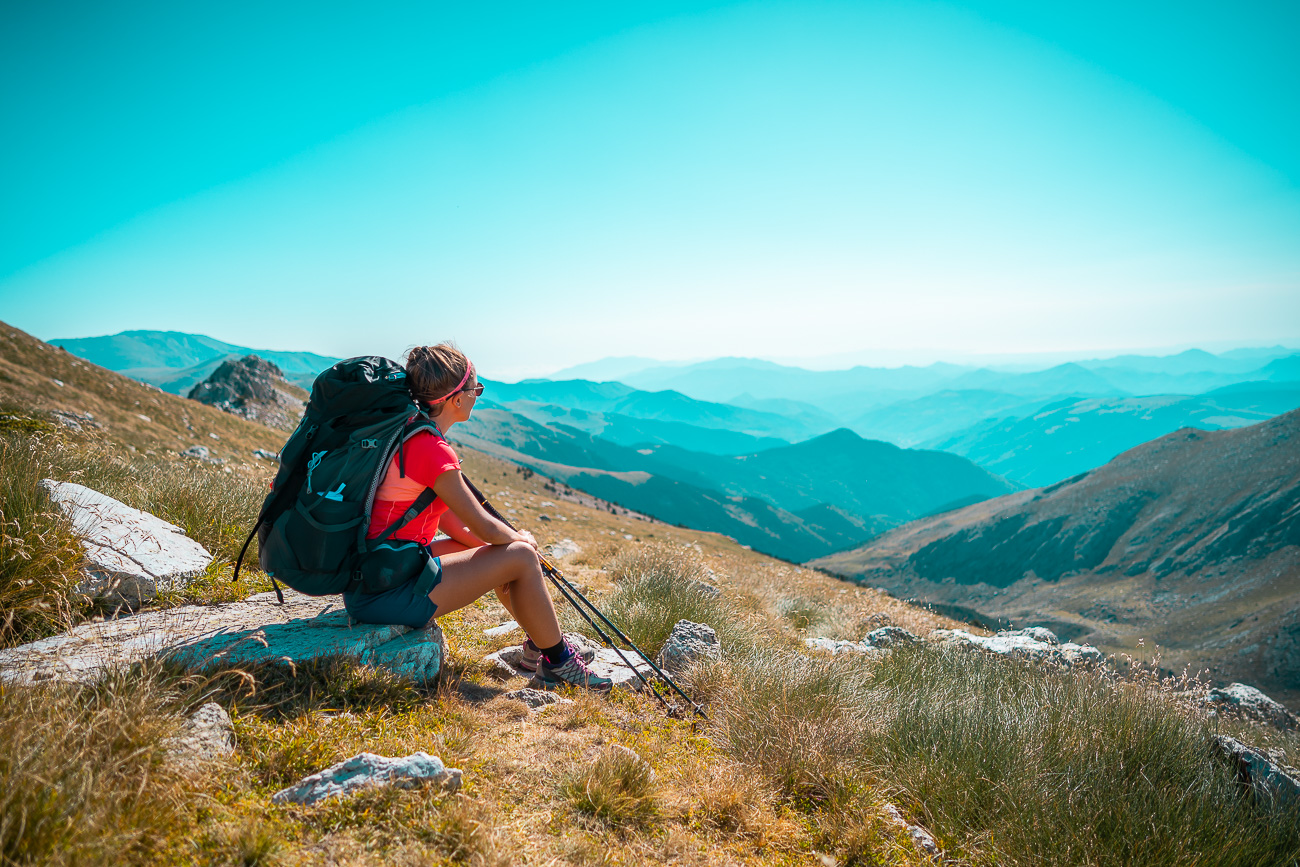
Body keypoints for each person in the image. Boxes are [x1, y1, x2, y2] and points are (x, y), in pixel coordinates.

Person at [342, 343, 611, 691]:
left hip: (375, 574)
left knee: (499, 555)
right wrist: (522, 542)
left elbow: (453, 525)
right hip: (386, 592)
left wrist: (500, 551)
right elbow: (483, 524)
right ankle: (559, 663)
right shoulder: (430, 450)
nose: (477, 396)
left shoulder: (404, 432)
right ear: (455, 399)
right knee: (518, 555)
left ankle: (537, 648)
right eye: (475, 389)